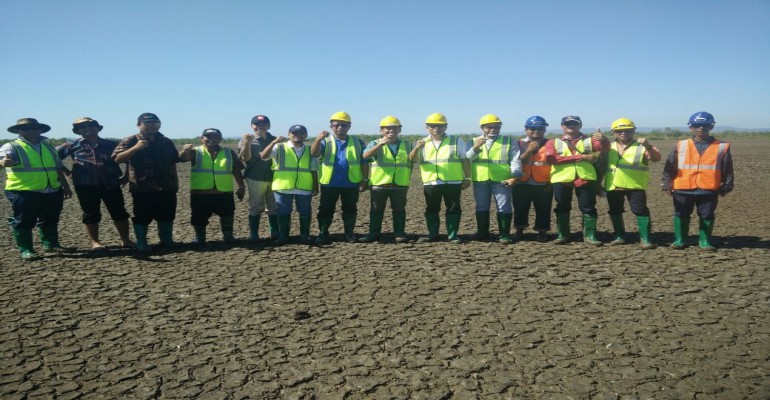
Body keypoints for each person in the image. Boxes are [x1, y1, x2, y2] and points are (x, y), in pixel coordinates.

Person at [56, 117, 134, 251]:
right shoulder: (71, 145)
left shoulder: (112, 144)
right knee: (90, 213)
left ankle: (125, 240)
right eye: (83, 127)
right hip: (85, 185)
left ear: (98, 128)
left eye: (91, 126)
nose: (88, 129)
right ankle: (95, 242)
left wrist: (126, 177)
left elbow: (129, 160)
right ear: (77, 131)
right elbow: (53, 159)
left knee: (119, 211)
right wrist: (68, 172)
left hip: (111, 183)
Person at [1, 118, 72, 260]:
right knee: (24, 220)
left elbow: (57, 168)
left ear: (40, 130)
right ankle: (26, 249)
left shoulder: (49, 147)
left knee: (51, 218)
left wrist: (65, 186)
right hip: (23, 190)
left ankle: (51, 244)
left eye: (34, 128)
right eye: (26, 128)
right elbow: (3, 159)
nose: (31, 131)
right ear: (18, 131)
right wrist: (4, 162)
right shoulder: (12, 146)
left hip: (51, 189)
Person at [662, 111, 733, 251]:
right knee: (681, 214)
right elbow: (670, 165)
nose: (701, 128)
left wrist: (727, 185)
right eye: (697, 125)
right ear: (691, 127)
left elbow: (727, 168)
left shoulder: (722, 146)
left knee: (707, 215)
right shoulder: (681, 145)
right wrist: (667, 183)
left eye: (705, 125)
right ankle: (680, 240)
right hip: (682, 187)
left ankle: (705, 241)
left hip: (708, 188)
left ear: (711, 127)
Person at [113, 113, 181, 253]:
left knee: (167, 214)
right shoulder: (131, 140)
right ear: (139, 125)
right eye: (148, 123)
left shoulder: (166, 141)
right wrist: (136, 148)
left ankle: (166, 240)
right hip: (142, 187)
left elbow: (173, 161)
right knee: (142, 216)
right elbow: (117, 158)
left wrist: (175, 181)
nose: (152, 126)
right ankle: (142, 242)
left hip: (166, 186)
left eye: (156, 123)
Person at [545, 115, 610, 245]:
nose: (571, 126)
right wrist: (580, 157)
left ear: (580, 125)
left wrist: (604, 139)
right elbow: (552, 159)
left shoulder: (590, 140)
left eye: (574, 123)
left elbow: (605, 149)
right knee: (562, 206)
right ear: (562, 126)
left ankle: (590, 236)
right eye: (567, 124)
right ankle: (563, 235)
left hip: (586, 177)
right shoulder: (553, 142)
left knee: (588, 207)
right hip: (561, 178)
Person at [409, 113, 472, 243]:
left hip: (453, 181)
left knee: (453, 208)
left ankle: (452, 235)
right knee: (431, 208)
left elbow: (464, 160)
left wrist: (467, 178)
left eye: (440, 125)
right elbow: (413, 160)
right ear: (427, 127)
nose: (436, 128)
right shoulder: (421, 143)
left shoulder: (456, 140)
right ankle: (433, 234)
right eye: (432, 126)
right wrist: (416, 148)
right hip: (431, 181)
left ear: (446, 126)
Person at [179, 128, 246, 245]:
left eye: (215, 137)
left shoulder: (228, 152)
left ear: (220, 139)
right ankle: (200, 238)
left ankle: (228, 236)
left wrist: (241, 186)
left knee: (227, 215)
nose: (212, 139)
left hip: (224, 192)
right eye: (208, 137)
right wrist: (185, 149)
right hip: (201, 193)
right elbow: (182, 158)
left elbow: (236, 170)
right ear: (202, 138)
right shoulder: (195, 151)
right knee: (198, 218)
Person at [310, 111, 369, 244]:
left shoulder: (358, 142)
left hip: (351, 182)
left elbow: (364, 162)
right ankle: (323, 233)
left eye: (344, 125)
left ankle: (349, 233)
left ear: (349, 126)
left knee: (350, 209)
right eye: (336, 125)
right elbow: (314, 153)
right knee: (325, 209)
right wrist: (318, 139)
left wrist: (365, 179)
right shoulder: (325, 141)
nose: (340, 128)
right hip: (330, 182)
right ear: (331, 126)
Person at [603, 118, 661, 249]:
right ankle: (619, 236)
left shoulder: (642, 146)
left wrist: (648, 146)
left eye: (627, 130)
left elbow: (656, 159)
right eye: (620, 131)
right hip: (613, 185)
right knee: (615, 211)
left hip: (635, 186)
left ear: (633, 131)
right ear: (614, 132)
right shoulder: (608, 148)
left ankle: (645, 239)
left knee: (640, 211)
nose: (623, 133)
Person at [466, 114, 521, 243]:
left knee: (504, 206)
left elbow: (515, 159)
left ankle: (504, 234)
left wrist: (515, 177)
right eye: (489, 127)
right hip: (480, 179)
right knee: (481, 206)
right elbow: (467, 158)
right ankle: (482, 232)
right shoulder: (473, 141)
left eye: (497, 127)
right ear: (482, 127)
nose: (493, 129)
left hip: (502, 179)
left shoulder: (509, 141)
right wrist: (476, 147)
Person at [260, 124, 318, 245]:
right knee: (283, 211)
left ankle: (305, 235)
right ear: (289, 134)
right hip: (283, 186)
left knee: (305, 211)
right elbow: (264, 156)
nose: (297, 135)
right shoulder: (279, 147)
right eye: (294, 133)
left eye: (301, 133)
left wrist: (315, 186)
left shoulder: (309, 150)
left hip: (304, 186)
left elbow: (313, 169)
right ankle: (283, 236)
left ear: (305, 135)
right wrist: (273, 142)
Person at [359, 116, 413, 243]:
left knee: (399, 210)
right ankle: (373, 234)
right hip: (380, 184)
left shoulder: (407, 144)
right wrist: (380, 144)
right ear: (381, 130)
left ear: (400, 130)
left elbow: (413, 160)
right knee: (376, 210)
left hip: (400, 183)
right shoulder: (374, 142)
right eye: (387, 128)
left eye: (395, 128)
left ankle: (399, 233)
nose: (391, 131)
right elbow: (366, 155)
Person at [511, 116, 553, 242]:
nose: (536, 131)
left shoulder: (551, 144)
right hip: (522, 182)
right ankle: (519, 230)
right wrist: (529, 150)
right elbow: (518, 161)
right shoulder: (519, 143)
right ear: (526, 129)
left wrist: (552, 181)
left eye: (540, 128)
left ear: (545, 129)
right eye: (532, 128)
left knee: (544, 208)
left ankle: (542, 232)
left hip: (544, 182)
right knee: (520, 208)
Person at [238, 115, 278, 241]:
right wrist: (247, 143)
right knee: (256, 206)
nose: (260, 126)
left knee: (274, 206)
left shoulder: (276, 139)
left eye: (264, 124)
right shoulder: (246, 140)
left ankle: (275, 232)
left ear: (269, 126)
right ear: (252, 126)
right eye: (257, 124)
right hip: (255, 177)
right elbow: (245, 158)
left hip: (275, 177)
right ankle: (254, 234)